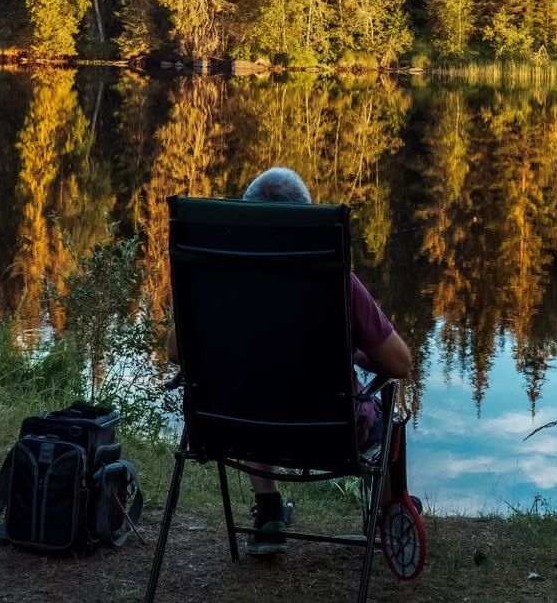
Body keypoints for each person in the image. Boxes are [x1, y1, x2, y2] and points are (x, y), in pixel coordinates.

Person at [164, 167, 412, 556]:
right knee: (385, 417)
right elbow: (399, 363)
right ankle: (389, 518)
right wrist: (356, 353)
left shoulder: (214, 277)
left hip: (234, 424)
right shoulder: (336, 281)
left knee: (253, 389)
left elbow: (176, 352)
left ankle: (269, 514)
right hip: (330, 431)